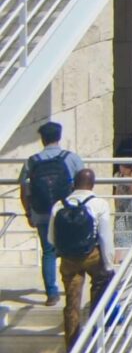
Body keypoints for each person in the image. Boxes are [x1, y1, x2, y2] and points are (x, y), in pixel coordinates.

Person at [17, 122, 83, 304]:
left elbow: (23, 188)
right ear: (59, 137)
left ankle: (52, 293)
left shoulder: (32, 161)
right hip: (67, 213)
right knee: (71, 250)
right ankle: (71, 288)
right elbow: (82, 184)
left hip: (42, 212)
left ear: (42, 139)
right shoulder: (71, 158)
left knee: (48, 252)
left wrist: (28, 213)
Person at [49, 169, 114, 342]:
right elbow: (105, 237)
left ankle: (72, 350)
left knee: (72, 304)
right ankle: (96, 337)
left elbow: (51, 238)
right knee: (99, 293)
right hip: (92, 255)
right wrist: (108, 265)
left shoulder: (58, 205)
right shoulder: (99, 204)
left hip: (69, 259)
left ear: (73, 184)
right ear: (92, 185)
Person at [110, 159, 132, 251]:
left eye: (123, 166)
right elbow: (117, 192)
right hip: (122, 207)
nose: (120, 168)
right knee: (119, 236)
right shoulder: (117, 175)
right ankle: (117, 261)